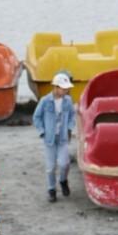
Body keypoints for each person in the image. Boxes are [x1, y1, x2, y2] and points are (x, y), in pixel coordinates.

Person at [32, 72, 75, 203]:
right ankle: (51, 190)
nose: (66, 90)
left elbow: (72, 116)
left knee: (64, 164)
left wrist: (69, 128)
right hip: (49, 139)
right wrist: (42, 132)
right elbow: (36, 117)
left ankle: (63, 180)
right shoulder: (45, 101)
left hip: (63, 138)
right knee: (50, 167)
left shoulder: (68, 101)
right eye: (64, 88)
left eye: (67, 88)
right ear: (55, 87)